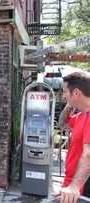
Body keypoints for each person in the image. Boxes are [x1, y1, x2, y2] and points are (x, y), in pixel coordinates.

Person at [58, 72, 90, 203]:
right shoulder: (82, 115)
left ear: (76, 92)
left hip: (81, 186)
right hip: (72, 183)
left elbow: (89, 154)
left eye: (65, 92)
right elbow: (61, 123)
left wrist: (74, 187)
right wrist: (70, 103)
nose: (63, 95)